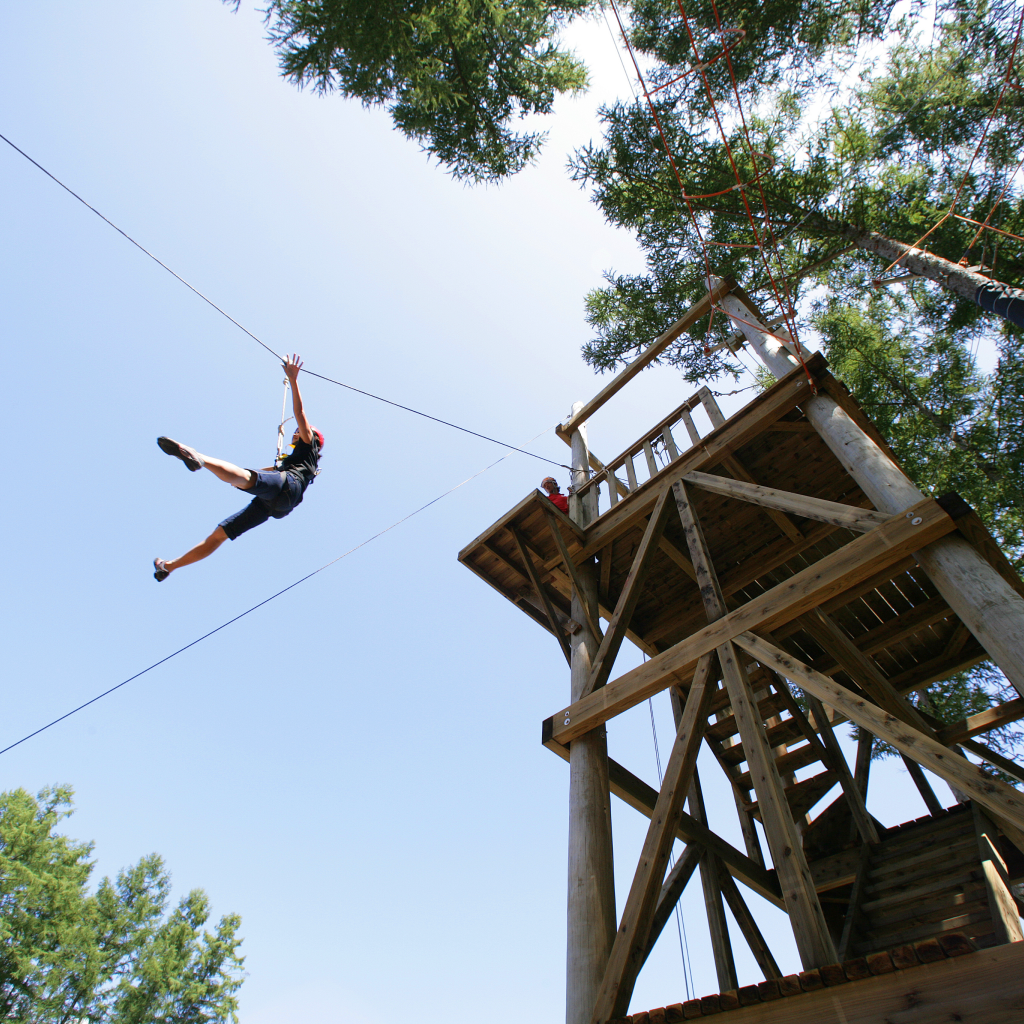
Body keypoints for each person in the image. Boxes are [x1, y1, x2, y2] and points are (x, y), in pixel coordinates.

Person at [153, 354, 323, 581]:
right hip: (277, 506)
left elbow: (300, 415)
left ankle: (199, 457)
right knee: (218, 536)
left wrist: (293, 380)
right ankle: (169, 566)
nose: (297, 431)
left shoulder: (308, 443)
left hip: (286, 486)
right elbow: (268, 472)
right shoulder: (301, 462)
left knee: (243, 476)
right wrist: (245, 479)